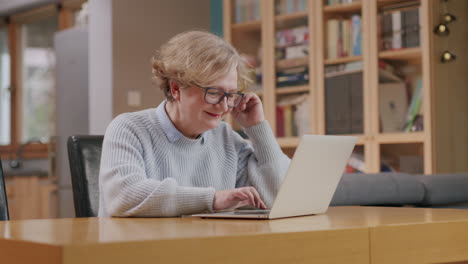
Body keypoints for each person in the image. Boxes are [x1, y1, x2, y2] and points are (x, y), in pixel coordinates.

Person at [98, 31, 290, 217]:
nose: (224, 106)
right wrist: (212, 199)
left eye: (231, 94)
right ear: (176, 89)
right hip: (141, 248)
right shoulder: (128, 128)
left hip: (203, 247)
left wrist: (258, 129)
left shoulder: (225, 138)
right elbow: (123, 195)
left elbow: (280, 198)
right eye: (214, 93)